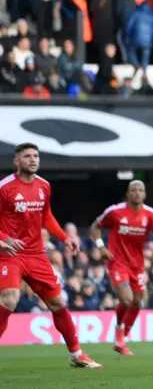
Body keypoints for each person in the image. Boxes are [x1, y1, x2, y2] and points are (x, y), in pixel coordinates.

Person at [0, 143, 101, 368]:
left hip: (37, 254)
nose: (33, 159)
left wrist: (65, 238)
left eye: (36, 155)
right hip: (10, 254)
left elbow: (47, 217)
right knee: (9, 298)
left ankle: (76, 354)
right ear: (17, 161)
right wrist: (6, 240)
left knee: (57, 303)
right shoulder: (4, 187)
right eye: (27, 156)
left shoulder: (43, 186)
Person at [89, 180, 153, 355]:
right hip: (117, 262)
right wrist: (100, 246)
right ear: (128, 194)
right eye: (133, 190)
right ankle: (119, 331)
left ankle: (121, 339)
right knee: (126, 300)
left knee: (137, 302)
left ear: (145, 194)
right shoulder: (115, 211)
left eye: (140, 190)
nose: (137, 193)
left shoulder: (150, 214)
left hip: (137, 265)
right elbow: (95, 227)